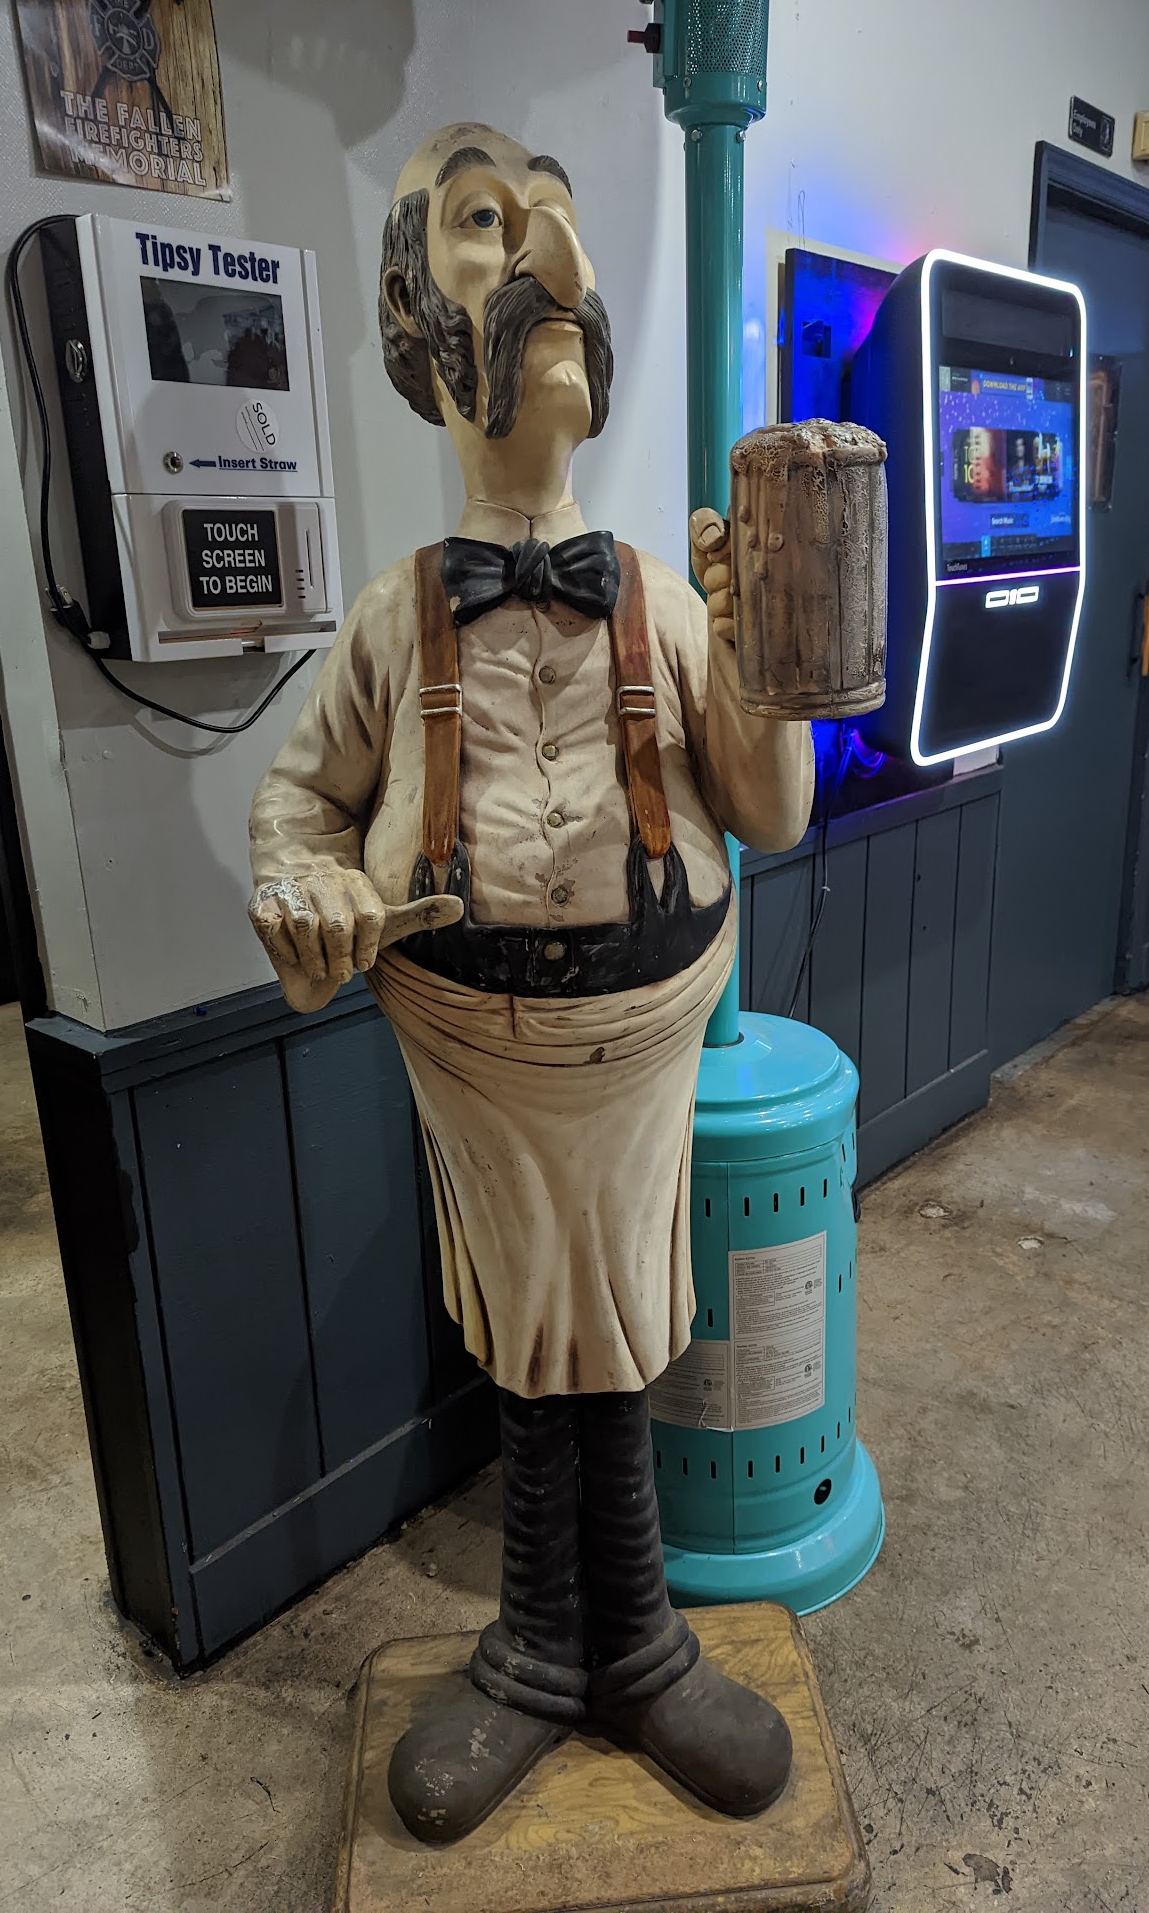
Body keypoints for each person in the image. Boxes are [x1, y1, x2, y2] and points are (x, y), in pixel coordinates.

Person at [247, 123, 814, 1843]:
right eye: (491, 224)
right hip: (471, 1049)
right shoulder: (388, 618)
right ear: (415, 327)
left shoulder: (662, 598)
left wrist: (766, 651)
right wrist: (304, 884)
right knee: (522, 1322)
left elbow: (769, 811)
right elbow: (300, 798)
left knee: (626, 1322)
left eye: (558, 225)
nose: (548, 258)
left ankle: (624, 1646)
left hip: (642, 1039)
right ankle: (545, 1649)